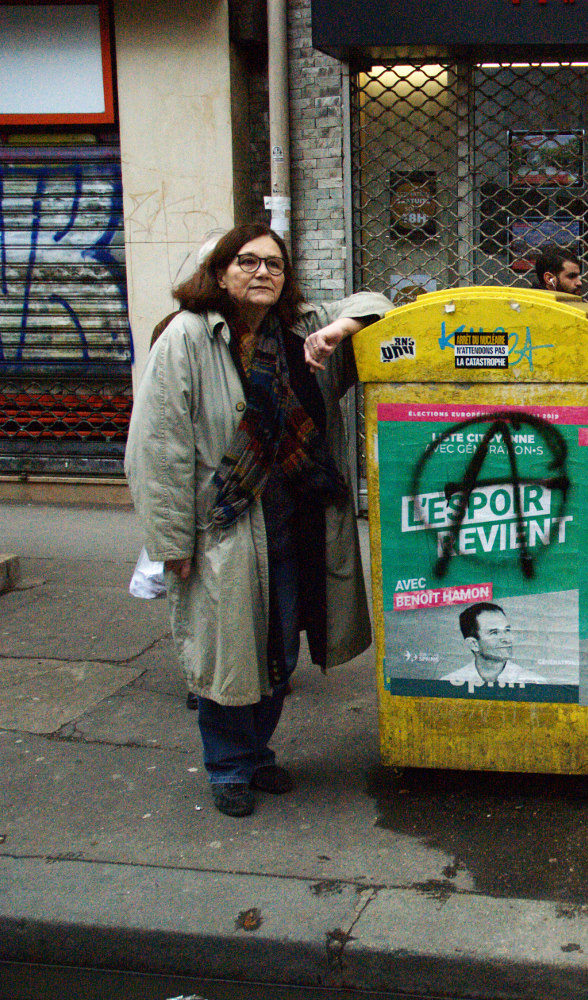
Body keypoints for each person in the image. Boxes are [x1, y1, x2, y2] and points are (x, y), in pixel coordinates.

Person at [125, 223, 392, 818]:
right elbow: (158, 448)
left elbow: (380, 305)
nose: (262, 272)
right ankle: (228, 766)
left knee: (280, 651)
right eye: (247, 262)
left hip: (298, 523)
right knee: (228, 653)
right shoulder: (189, 337)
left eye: (274, 263)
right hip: (226, 527)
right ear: (220, 274)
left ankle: (256, 752)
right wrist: (171, 541)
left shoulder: (301, 328)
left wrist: (339, 330)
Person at [441, 602, 547, 692]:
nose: (506, 639)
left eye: (507, 630)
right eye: (494, 633)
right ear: (473, 644)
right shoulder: (448, 684)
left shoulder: (535, 683)